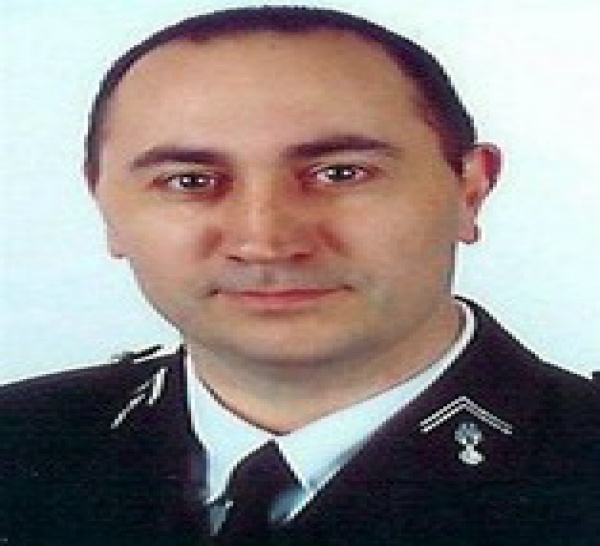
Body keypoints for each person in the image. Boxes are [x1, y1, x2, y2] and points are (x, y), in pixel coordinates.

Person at [1, 6, 598, 545]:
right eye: (190, 181)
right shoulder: (19, 441)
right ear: (104, 205)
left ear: (470, 190)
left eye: (340, 173)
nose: (266, 242)